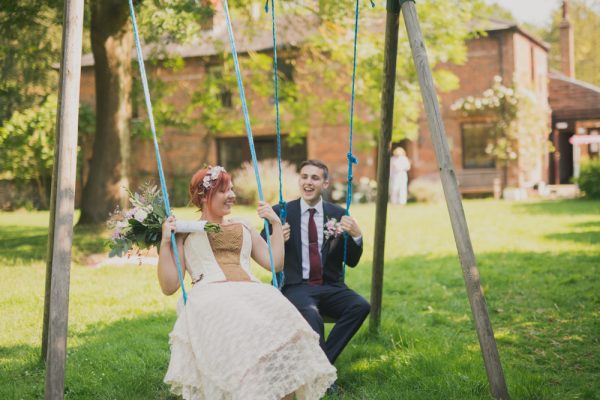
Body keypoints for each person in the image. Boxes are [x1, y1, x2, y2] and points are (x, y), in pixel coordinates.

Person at [158, 165, 336, 400]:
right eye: (224, 191)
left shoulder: (242, 226)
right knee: (239, 323)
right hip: (211, 295)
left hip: (252, 291)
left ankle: (283, 392)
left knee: (284, 323)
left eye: (232, 189)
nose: (232, 195)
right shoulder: (185, 232)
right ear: (203, 196)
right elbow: (169, 286)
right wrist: (165, 243)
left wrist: (273, 224)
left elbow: (275, 264)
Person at [263, 160, 370, 369]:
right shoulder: (281, 212)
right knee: (312, 315)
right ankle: (325, 374)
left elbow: (352, 261)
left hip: (330, 285)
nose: (308, 182)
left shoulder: (338, 214)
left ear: (325, 184)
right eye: (304, 177)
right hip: (296, 285)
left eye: (315, 178)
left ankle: (321, 367)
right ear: (299, 180)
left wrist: (357, 235)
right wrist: (278, 239)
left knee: (360, 306)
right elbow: (263, 252)